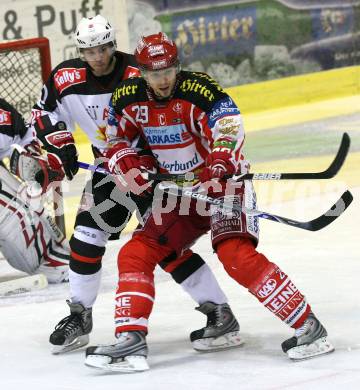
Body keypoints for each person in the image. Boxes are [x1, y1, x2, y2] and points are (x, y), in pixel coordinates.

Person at [84, 32, 335, 372]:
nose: (163, 80)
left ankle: (308, 326)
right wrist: (125, 160)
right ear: (140, 72)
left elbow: (229, 125)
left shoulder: (199, 89)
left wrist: (219, 161)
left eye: (169, 70)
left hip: (222, 185)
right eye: (155, 73)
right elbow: (114, 138)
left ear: (178, 66)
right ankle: (131, 339)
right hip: (178, 192)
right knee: (135, 252)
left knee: (235, 255)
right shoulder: (126, 97)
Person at [29, 16, 241, 354]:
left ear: (113, 45)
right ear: (80, 51)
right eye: (89, 50)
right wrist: (61, 141)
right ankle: (79, 315)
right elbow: (42, 113)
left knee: (166, 247)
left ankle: (218, 310)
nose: (97, 56)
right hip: (110, 169)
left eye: (102, 48)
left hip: (155, 171)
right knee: (85, 238)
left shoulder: (138, 72)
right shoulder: (65, 78)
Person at [0, 97, 69, 284]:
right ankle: (48, 260)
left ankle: (50, 256)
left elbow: (25, 138)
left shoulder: (3, 113)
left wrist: (32, 158)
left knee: (27, 202)